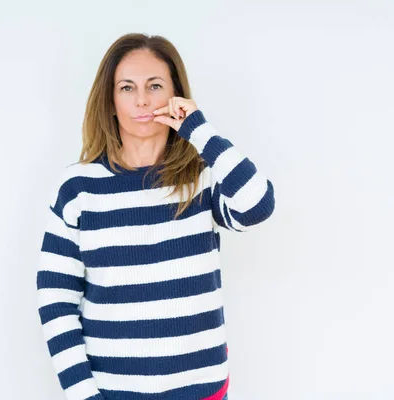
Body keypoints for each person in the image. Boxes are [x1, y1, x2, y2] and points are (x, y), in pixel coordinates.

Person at [36, 33, 275, 400]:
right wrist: (84, 395)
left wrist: (198, 129)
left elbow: (257, 204)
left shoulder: (202, 178)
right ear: (110, 101)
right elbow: (56, 299)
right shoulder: (78, 188)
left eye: (155, 85)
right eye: (127, 87)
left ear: (175, 95)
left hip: (202, 390)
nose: (143, 99)